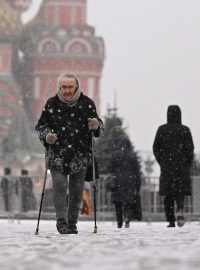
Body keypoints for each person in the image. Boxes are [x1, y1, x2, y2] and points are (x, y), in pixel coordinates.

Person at [35, 73, 103, 234]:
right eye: (63, 87)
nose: (66, 90)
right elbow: (40, 126)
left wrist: (96, 125)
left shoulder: (87, 104)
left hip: (80, 153)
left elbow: (98, 126)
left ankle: (72, 223)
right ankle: (61, 223)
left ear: (76, 87)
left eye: (69, 87)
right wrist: (47, 136)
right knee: (59, 186)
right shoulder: (52, 104)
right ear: (59, 87)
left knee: (76, 191)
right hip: (57, 153)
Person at [153, 105, 194, 227]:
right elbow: (190, 149)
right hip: (181, 168)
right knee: (180, 193)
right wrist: (186, 163)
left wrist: (162, 162)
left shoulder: (162, 130)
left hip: (167, 168)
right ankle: (180, 209)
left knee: (168, 195)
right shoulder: (185, 130)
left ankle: (171, 220)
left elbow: (156, 148)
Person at [108, 137, 141, 228]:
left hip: (117, 181)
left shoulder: (115, 154)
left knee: (118, 203)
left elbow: (110, 168)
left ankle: (119, 222)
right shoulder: (132, 155)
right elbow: (137, 171)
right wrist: (137, 186)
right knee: (128, 202)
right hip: (130, 181)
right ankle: (127, 217)